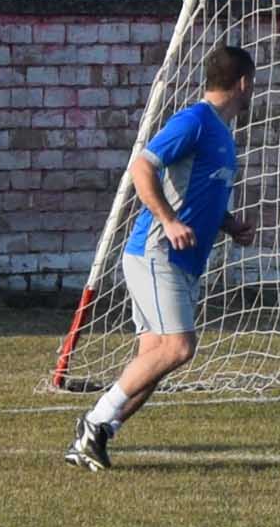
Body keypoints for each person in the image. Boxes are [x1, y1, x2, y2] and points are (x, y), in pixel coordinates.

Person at [65, 45, 256, 471]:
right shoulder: (194, 121)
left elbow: (199, 195)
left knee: (154, 359)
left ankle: (98, 435)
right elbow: (142, 167)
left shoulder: (222, 133)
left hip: (184, 260)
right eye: (253, 85)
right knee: (179, 346)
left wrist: (229, 225)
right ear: (243, 83)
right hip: (156, 253)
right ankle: (94, 420)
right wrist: (168, 221)